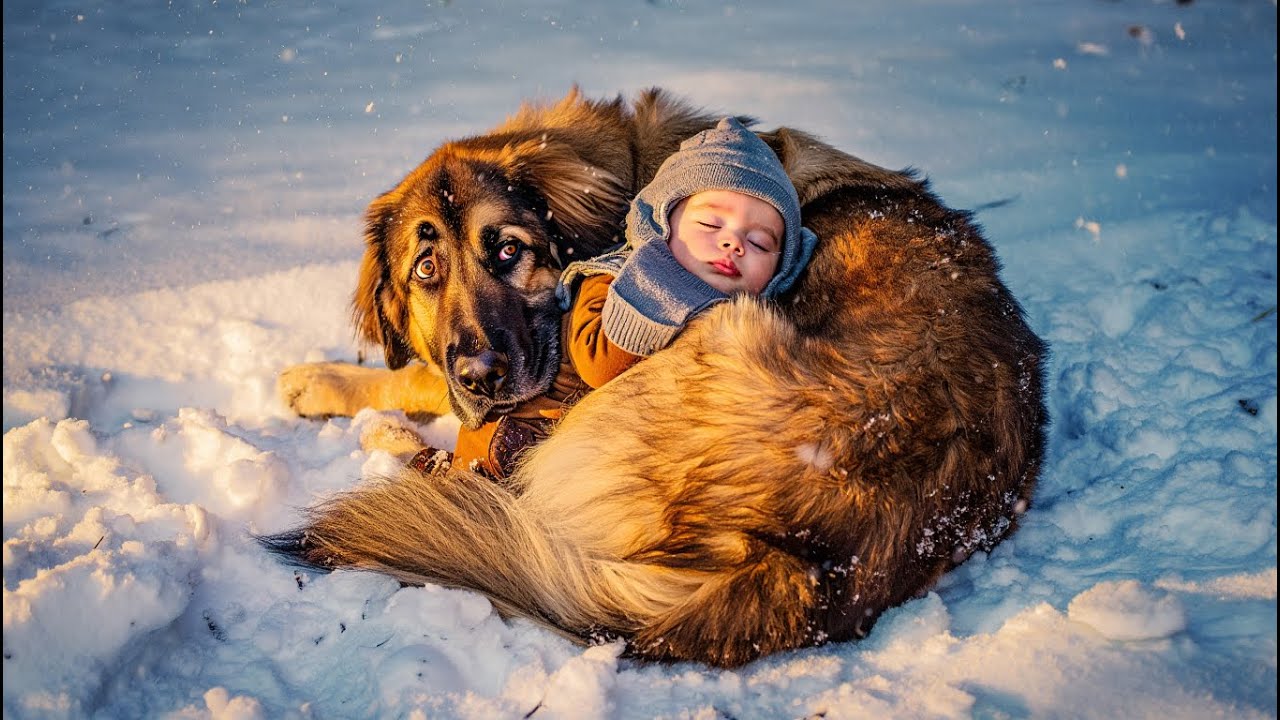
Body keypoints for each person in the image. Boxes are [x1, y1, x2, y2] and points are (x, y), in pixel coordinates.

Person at [435, 116, 818, 479]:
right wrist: (665, 287)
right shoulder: (617, 277)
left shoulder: (746, 314)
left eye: (759, 243)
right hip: (517, 436)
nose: (733, 242)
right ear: (661, 223)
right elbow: (598, 363)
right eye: (708, 223)